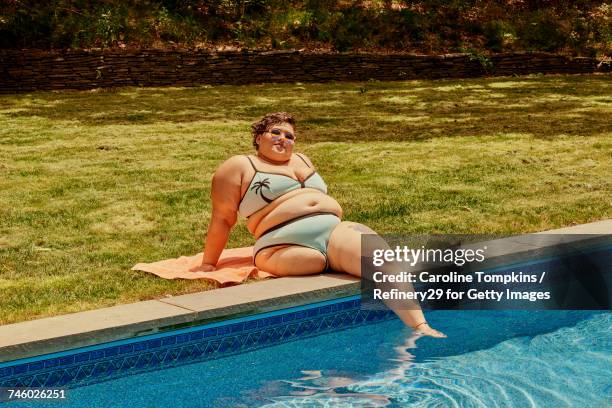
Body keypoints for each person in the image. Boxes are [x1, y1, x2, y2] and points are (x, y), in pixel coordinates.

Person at [191, 112, 445, 338]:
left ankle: (420, 328)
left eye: (289, 136)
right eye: (275, 132)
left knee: (381, 258)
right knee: (310, 261)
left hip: (333, 231)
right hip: (281, 242)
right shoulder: (239, 166)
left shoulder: (303, 160)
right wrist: (209, 263)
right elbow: (222, 219)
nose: (283, 139)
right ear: (258, 137)